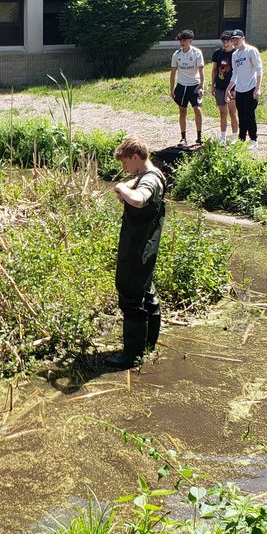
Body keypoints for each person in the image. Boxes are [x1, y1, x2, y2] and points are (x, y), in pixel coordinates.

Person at [105, 136, 166, 369]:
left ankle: (131, 356)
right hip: (147, 246)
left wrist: (122, 188)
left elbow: (139, 200)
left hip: (138, 247)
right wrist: (128, 185)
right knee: (146, 292)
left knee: (131, 295)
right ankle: (147, 346)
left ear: (136, 157)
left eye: (125, 163)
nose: (124, 168)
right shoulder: (154, 173)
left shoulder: (149, 180)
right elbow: (139, 184)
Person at [226, 29, 263, 149]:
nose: (235, 41)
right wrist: (228, 88)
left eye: (237, 39)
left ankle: (254, 140)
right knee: (241, 115)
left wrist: (258, 88)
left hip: (251, 88)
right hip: (240, 89)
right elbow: (235, 73)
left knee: (249, 115)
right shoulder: (234, 55)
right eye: (233, 39)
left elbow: (259, 69)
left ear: (243, 38)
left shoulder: (251, 51)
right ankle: (241, 139)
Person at [169, 30, 206, 146]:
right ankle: (183, 138)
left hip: (194, 85)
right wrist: (171, 89)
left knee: (197, 109)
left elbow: (201, 72)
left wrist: (202, 87)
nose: (182, 42)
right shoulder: (176, 55)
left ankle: (199, 136)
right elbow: (173, 73)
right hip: (181, 86)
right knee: (182, 111)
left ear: (190, 40)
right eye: (181, 40)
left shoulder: (197, 53)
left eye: (184, 40)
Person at [211, 30, 238, 143]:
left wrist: (236, 88)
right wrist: (212, 86)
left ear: (232, 41)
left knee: (232, 112)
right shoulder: (218, 53)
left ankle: (235, 137)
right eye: (224, 41)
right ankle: (223, 137)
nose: (226, 44)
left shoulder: (236, 53)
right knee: (222, 113)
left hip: (232, 87)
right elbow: (214, 69)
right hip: (220, 86)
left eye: (228, 41)